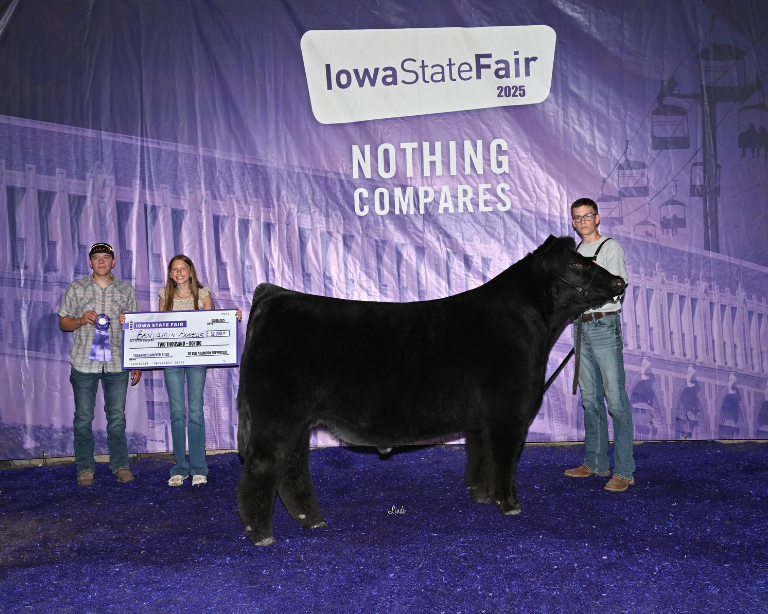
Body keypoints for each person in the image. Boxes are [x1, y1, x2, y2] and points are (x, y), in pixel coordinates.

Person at [151, 255, 240, 487]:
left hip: (197, 358)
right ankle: (180, 467)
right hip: (171, 359)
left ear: (191, 271)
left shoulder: (203, 294)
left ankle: (199, 467)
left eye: (183, 268)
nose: (179, 272)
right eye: (175, 269)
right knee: (177, 412)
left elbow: (212, 322)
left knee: (195, 410)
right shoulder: (164, 296)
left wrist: (231, 318)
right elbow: (159, 328)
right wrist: (130, 323)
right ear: (170, 274)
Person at [565, 198, 635, 492]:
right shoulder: (574, 253)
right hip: (580, 327)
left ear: (597, 218)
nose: (582, 222)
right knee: (590, 399)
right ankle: (594, 462)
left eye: (587, 216)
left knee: (615, 400)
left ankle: (624, 470)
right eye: (577, 218)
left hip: (605, 325)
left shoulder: (610, 248)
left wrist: (584, 297)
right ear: (573, 222)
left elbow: (617, 287)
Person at [58, 243, 142, 486]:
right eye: (97, 258)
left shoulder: (126, 290)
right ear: (90, 263)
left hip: (116, 364)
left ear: (113, 262)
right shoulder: (76, 288)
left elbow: (134, 328)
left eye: (106, 257)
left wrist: (135, 362)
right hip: (84, 363)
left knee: (117, 417)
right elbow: (63, 324)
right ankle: (85, 467)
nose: (101, 261)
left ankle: (121, 465)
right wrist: (81, 320)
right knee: (83, 417)